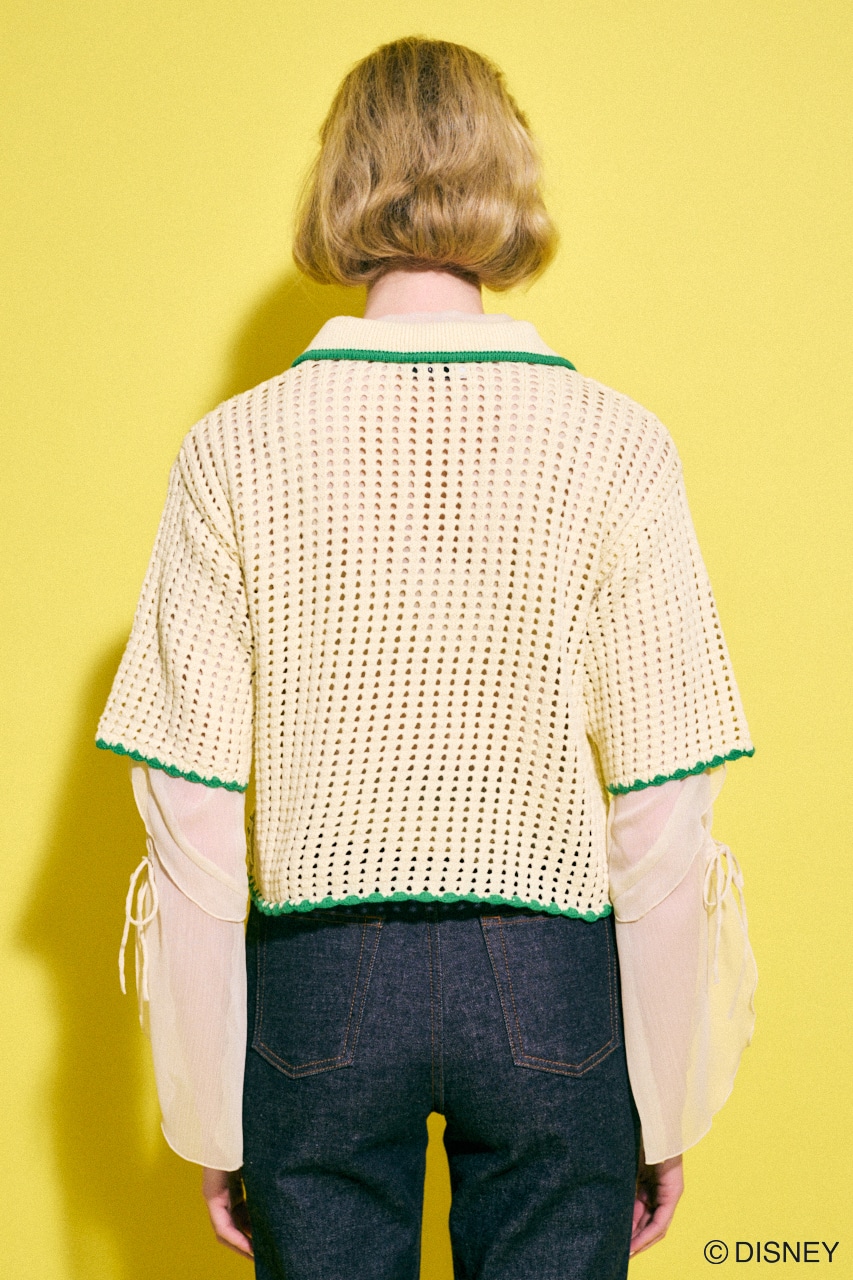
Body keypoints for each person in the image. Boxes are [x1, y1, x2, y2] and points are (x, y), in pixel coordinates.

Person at [97, 36, 756, 1280]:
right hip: (551, 977)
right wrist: (664, 1097)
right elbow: (665, 799)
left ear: (337, 181)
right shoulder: (617, 443)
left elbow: (189, 801)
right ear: (510, 177)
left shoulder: (233, 449)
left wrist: (207, 1111)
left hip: (317, 986)